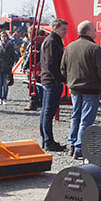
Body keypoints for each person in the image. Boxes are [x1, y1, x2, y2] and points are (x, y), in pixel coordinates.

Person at [60, 20, 101, 158]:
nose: (96, 32)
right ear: (88, 32)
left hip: (75, 88)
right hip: (90, 89)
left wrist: (69, 81)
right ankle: (79, 147)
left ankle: (72, 144)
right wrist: (100, 83)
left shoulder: (69, 47)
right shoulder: (95, 48)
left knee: (76, 116)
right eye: (94, 29)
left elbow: (62, 68)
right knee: (86, 119)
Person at [39, 18, 68, 152]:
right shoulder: (52, 41)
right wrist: (59, 78)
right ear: (55, 28)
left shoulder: (53, 41)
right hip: (51, 81)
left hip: (49, 80)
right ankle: (48, 141)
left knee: (46, 112)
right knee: (48, 113)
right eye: (63, 29)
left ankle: (46, 140)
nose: (65, 32)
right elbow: (51, 63)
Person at [0, 31, 18, 105]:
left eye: (5, 36)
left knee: (5, 84)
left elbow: (13, 56)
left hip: (7, 67)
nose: (4, 38)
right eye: (2, 36)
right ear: (0, 37)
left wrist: (11, 64)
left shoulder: (10, 46)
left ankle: (4, 98)